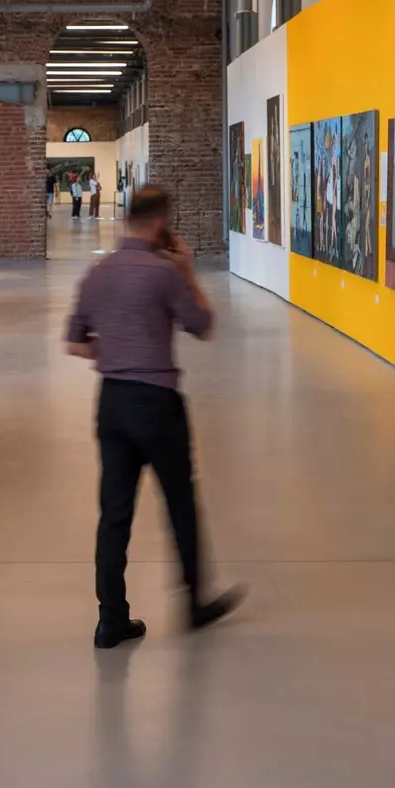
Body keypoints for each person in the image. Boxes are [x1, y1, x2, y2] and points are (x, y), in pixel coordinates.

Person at [64, 185, 245, 648]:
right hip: (157, 402)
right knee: (179, 503)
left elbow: (74, 341)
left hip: (112, 403)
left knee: (115, 514)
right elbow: (203, 326)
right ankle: (194, 604)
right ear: (162, 223)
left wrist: (116, 350)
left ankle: (110, 619)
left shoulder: (98, 272)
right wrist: (187, 271)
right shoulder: (163, 273)